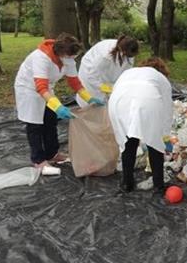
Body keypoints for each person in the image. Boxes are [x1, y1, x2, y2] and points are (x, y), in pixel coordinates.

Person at [14, 33, 104, 170]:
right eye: (71, 56)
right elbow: (40, 86)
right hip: (29, 89)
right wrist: (58, 107)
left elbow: (75, 82)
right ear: (61, 53)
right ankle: (38, 160)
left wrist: (89, 98)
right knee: (35, 126)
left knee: (50, 121)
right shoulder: (41, 58)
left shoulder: (68, 59)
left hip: (47, 89)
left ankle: (52, 153)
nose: (73, 59)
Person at [108, 57, 173, 193]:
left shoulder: (128, 72)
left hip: (118, 102)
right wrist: (165, 137)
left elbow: (116, 90)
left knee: (128, 141)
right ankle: (158, 186)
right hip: (147, 98)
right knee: (154, 143)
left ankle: (127, 183)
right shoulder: (161, 78)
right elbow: (167, 111)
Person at [76, 36, 139, 107]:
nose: (129, 58)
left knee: (110, 100)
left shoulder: (129, 52)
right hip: (90, 72)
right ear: (123, 52)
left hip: (107, 75)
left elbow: (126, 73)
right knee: (94, 101)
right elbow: (91, 77)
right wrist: (102, 86)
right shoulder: (104, 56)